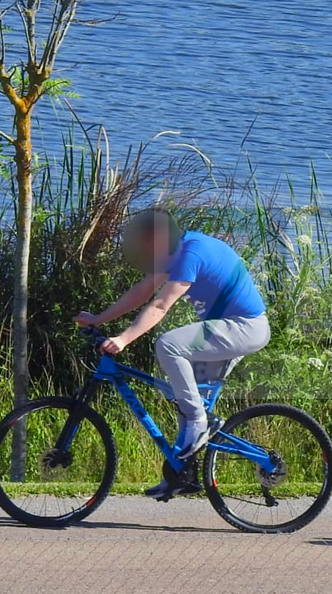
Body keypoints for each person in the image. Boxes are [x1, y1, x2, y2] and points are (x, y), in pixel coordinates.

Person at [73, 207, 269, 500]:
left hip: (245, 327)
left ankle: (200, 422)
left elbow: (160, 305)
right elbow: (143, 291)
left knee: (169, 344)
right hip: (225, 327)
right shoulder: (176, 251)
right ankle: (181, 476)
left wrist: (123, 339)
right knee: (185, 397)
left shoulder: (192, 253)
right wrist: (99, 319)